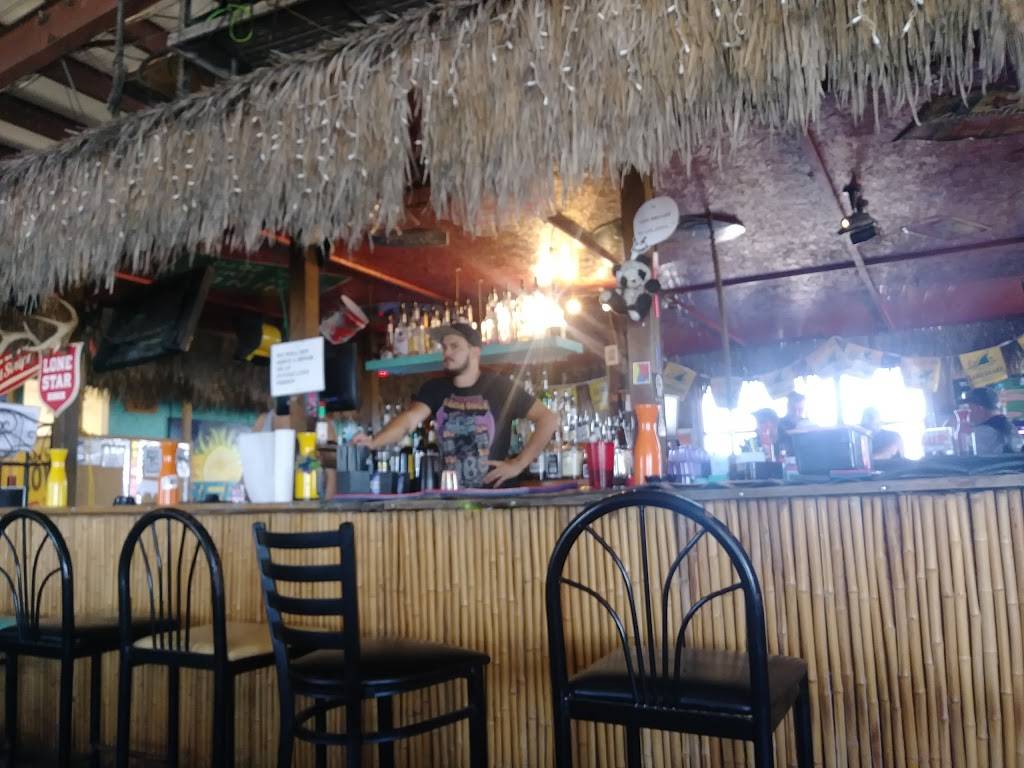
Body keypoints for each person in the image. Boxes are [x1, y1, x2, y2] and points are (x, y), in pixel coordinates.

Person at [353, 322, 559, 487]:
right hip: (451, 497)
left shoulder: (500, 387)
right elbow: (408, 420)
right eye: (444, 347)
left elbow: (548, 418)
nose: (447, 353)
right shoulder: (435, 389)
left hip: (496, 498)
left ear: (475, 351)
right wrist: (374, 442)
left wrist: (519, 464)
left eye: (454, 346)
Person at [964, 387, 1021, 455]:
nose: (967, 413)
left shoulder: (980, 432)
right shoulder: (1009, 426)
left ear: (978, 408)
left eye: (969, 408)